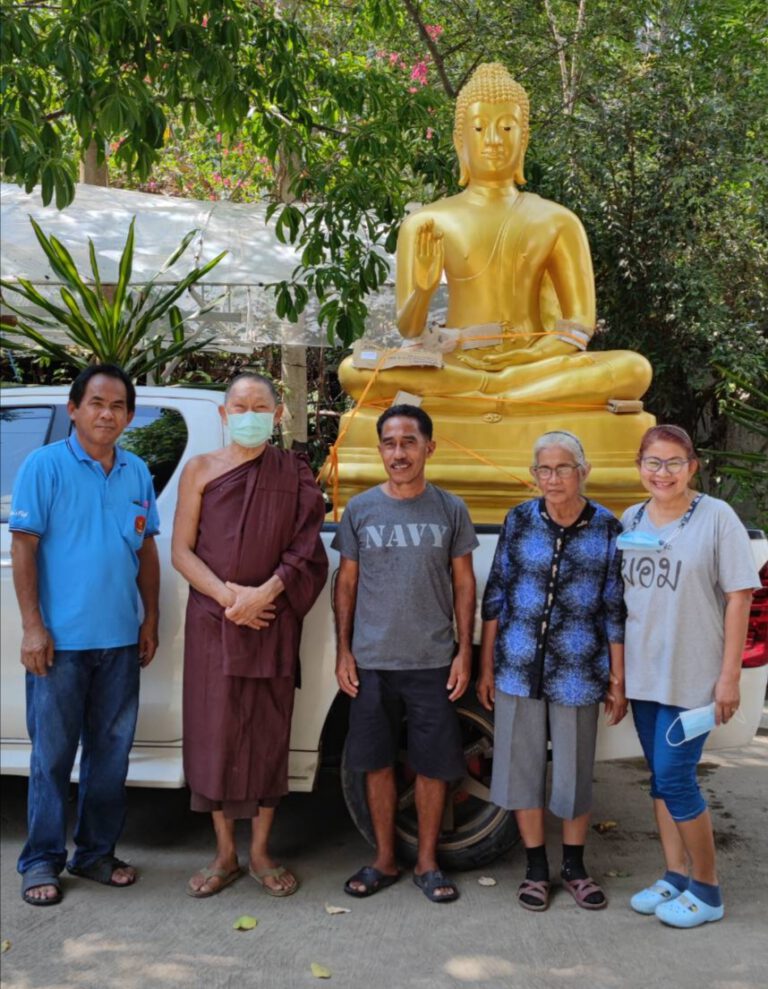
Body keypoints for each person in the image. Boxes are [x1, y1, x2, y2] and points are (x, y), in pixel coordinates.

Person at [339, 62, 651, 413]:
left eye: (506, 127)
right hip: (455, 363)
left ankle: (492, 390)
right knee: (355, 372)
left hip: (534, 363)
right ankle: (501, 392)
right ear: (461, 141)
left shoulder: (558, 220)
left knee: (634, 369)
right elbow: (410, 329)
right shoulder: (427, 221)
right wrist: (423, 291)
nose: (492, 139)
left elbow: (578, 326)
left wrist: (529, 355)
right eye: (479, 127)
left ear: (524, 139)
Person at [172, 372, 327, 899]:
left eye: (261, 406)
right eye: (240, 406)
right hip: (214, 622)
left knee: (265, 735)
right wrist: (228, 597)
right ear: (224, 414)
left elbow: (309, 548)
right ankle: (224, 854)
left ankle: (260, 851)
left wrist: (265, 593)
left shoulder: (294, 473)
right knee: (214, 734)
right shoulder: (199, 470)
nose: (250, 414)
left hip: (270, 620)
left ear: (278, 414)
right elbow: (181, 552)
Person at [10, 364, 160, 906]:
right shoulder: (43, 466)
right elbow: (23, 547)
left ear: (128, 415)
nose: (107, 414)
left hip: (119, 642)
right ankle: (41, 862)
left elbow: (146, 551)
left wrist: (150, 620)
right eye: (96, 402)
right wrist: (33, 627)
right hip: (60, 644)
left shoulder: (136, 471)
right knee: (51, 756)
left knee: (111, 754)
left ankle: (96, 854)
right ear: (74, 409)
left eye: (118, 406)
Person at [476, 430, 627, 912]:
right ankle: (536, 868)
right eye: (544, 469)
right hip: (518, 666)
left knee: (574, 771)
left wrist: (617, 680)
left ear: (584, 471)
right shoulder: (519, 520)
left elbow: (614, 609)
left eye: (564, 468)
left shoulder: (607, 528)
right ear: (533, 475)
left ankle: (575, 868)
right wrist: (486, 669)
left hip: (579, 670)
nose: (553, 478)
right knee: (521, 770)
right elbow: (496, 596)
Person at [333, 404, 478, 903]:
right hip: (372, 661)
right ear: (381, 450)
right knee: (374, 763)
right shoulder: (360, 510)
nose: (399, 452)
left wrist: (463, 652)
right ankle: (384, 861)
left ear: (428, 448)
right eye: (390, 443)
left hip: (433, 661)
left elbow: (464, 582)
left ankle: (428, 863)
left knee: (435, 765)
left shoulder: (450, 509)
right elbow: (346, 583)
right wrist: (343, 652)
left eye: (409, 442)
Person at [620, 425, 759, 928]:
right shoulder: (630, 518)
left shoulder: (717, 518)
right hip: (644, 675)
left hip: (694, 678)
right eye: (653, 463)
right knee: (660, 779)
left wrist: (729, 678)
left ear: (692, 467)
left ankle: (707, 888)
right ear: (639, 467)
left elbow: (739, 596)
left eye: (674, 462)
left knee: (678, 780)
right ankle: (674, 875)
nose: (663, 473)